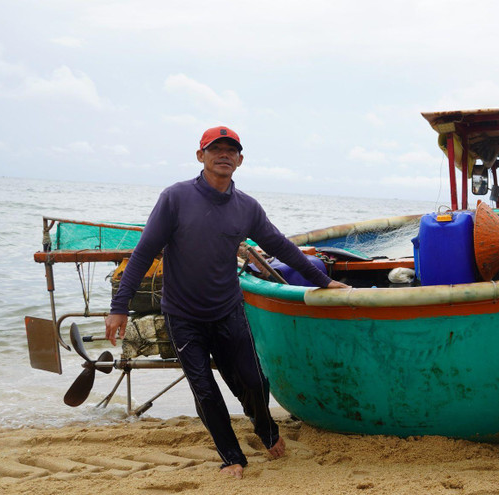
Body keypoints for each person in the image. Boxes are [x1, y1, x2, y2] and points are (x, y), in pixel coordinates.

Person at [105, 126, 349, 479]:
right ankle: (231, 456)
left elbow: (281, 247)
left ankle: (266, 430)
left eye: (231, 150)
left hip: (227, 309)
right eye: (215, 148)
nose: (224, 155)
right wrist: (119, 307)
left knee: (253, 381)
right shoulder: (175, 198)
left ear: (240, 159)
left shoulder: (246, 207)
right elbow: (143, 253)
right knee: (204, 388)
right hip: (183, 315)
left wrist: (324, 281)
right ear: (200, 155)